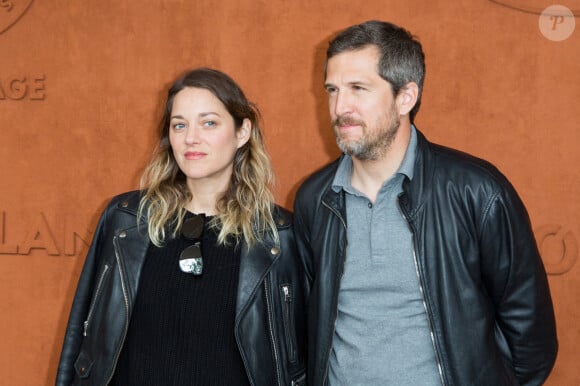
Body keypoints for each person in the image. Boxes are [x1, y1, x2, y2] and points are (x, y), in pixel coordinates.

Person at [294, 20, 557, 386]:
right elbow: (308, 323)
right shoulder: (314, 200)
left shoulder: (477, 192)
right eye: (333, 89)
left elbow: (531, 337)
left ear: (406, 96)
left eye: (358, 88)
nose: (340, 107)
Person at [56, 68, 307, 385]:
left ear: (242, 132)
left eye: (209, 123)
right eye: (179, 125)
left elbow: (296, 356)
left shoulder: (278, 236)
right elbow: (81, 334)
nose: (191, 138)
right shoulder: (125, 222)